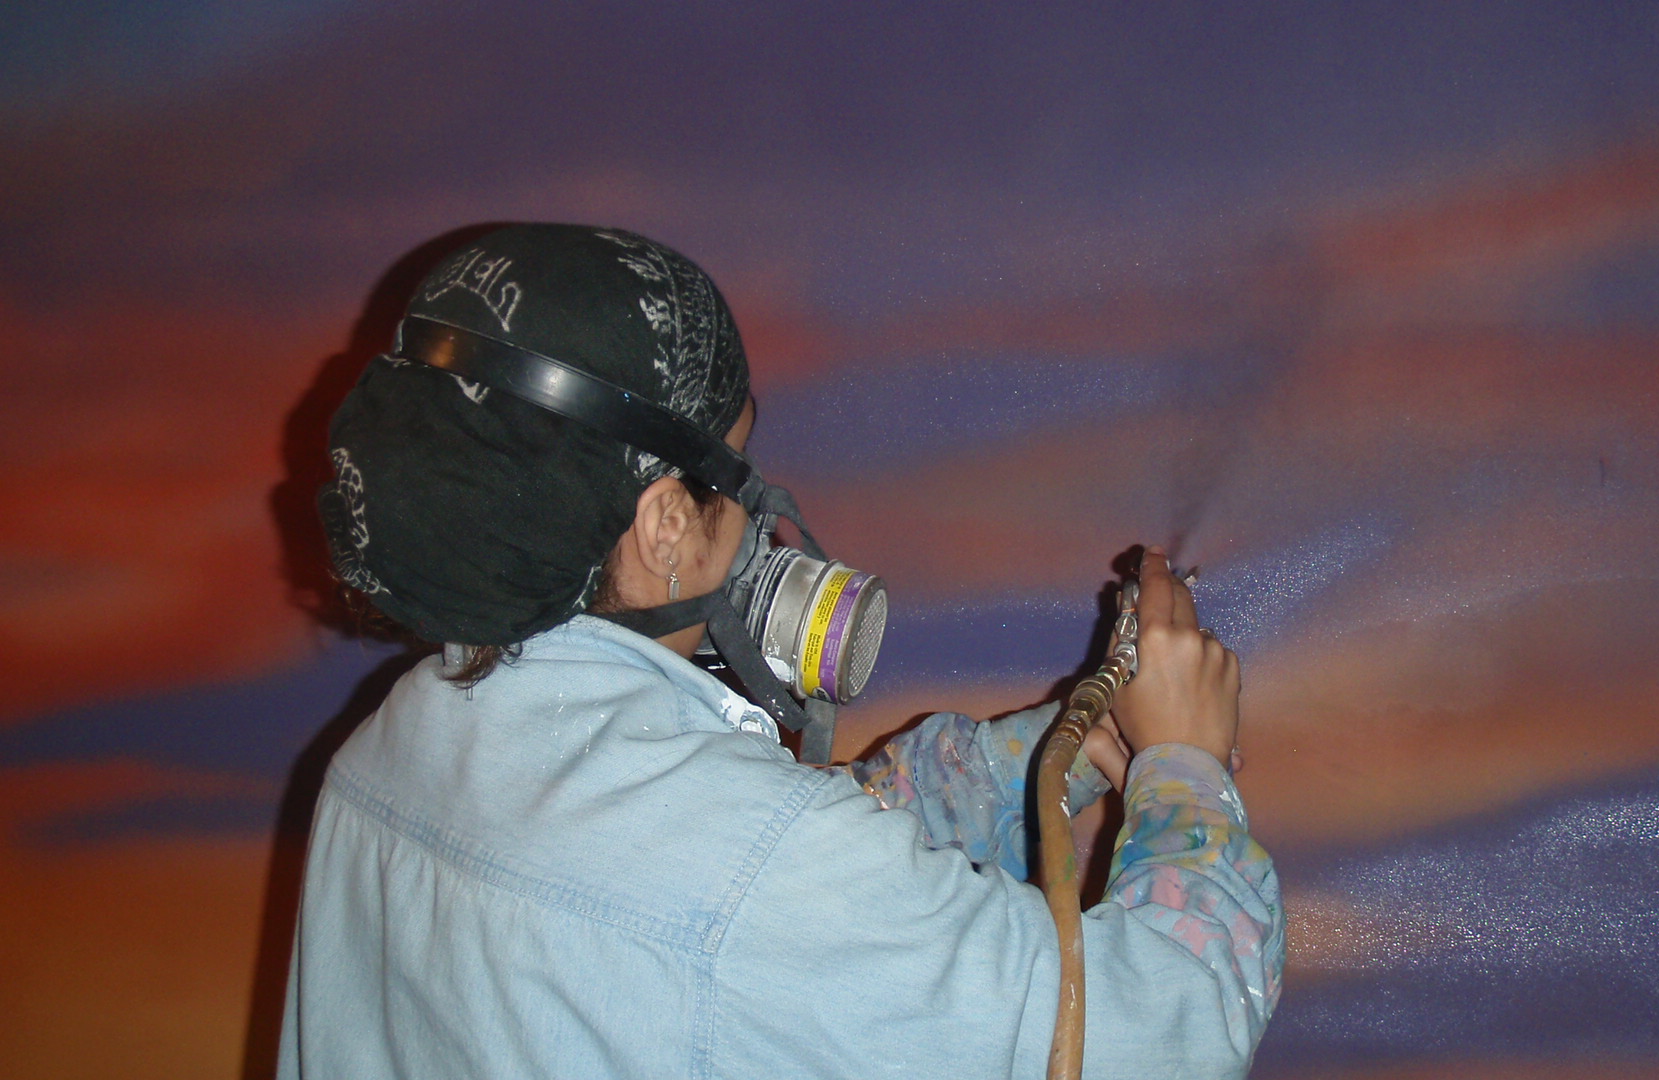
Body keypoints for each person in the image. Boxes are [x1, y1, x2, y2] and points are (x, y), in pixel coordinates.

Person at [281, 223, 1282, 1079]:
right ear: (666, 522)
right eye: (737, 465)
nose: (762, 512)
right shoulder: (740, 871)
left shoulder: (381, 755)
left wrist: (1045, 756)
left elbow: (777, 858)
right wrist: (1183, 766)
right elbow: (1152, 1034)